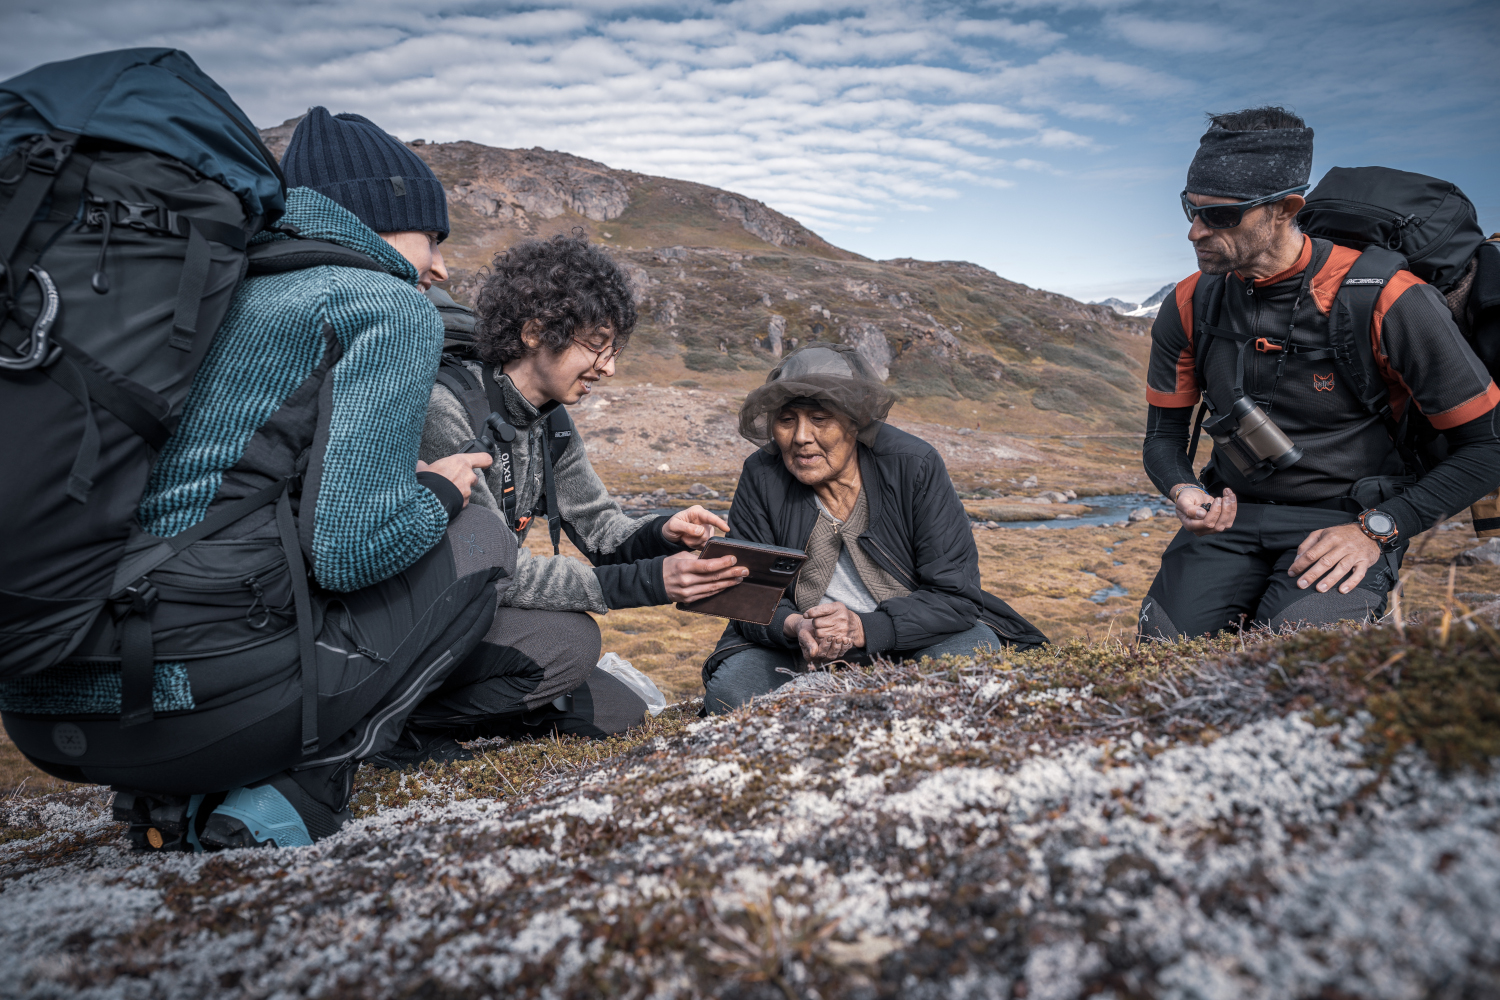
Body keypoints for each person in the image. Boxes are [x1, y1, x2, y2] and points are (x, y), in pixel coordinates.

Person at [1, 108, 516, 850]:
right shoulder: (383, 302)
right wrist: (440, 488)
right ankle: (297, 789)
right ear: (378, 217)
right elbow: (351, 550)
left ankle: (170, 793)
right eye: (432, 236)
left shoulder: (202, 288)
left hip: (44, 699)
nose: (438, 267)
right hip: (200, 707)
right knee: (480, 540)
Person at [1139, 107, 1500, 639]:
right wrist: (1180, 488)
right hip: (1228, 517)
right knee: (1160, 652)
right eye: (1189, 209)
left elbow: (1489, 447)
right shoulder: (1191, 301)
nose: (1194, 232)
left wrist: (1379, 530)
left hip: (1349, 522)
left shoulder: (1388, 299)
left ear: (1286, 209)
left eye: (1220, 217)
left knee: (1287, 661)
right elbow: (1163, 436)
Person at [417, 235, 747, 738]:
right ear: (533, 331)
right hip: (425, 618)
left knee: (618, 711)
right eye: (596, 345)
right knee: (571, 642)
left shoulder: (551, 422)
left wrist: (663, 532)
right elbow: (494, 571)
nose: (609, 368)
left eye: (614, 351)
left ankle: (479, 725)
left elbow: (600, 528)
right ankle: (396, 731)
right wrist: (652, 582)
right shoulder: (448, 409)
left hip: (477, 619)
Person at [698, 343, 1047, 713]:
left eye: (819, 418)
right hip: (799, 649)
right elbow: (745, 597)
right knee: (732, 693)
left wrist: (864, 628)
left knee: (968, 662)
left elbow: (956, 597)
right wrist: (796, 625)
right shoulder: (762, 474)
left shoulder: (913, 465)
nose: (800, 437)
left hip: (911, 639)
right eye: (787, 421)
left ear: (855, 421)